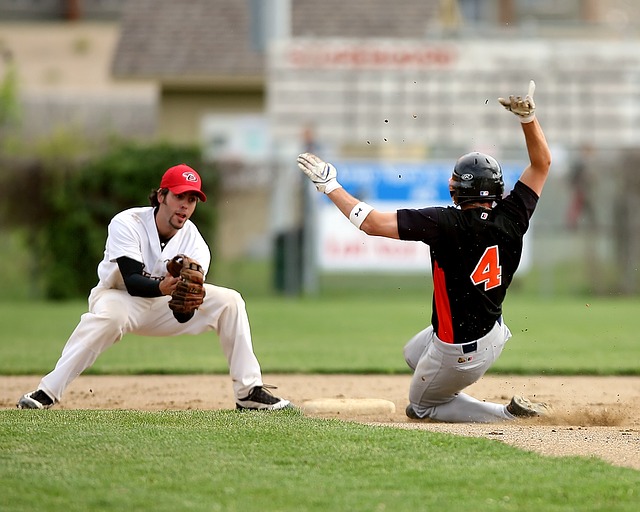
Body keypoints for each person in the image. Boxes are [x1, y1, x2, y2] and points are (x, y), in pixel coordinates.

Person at [297, 81, 552, 423]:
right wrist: (528, 119)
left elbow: (371, 223)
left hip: (458, 352)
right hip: (493, 332)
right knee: (412, 353)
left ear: (459, 189)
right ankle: (445, 388)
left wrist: (330, 186)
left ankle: (506, 415)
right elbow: (541, 164)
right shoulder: (513, 214)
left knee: (419, 408)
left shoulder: (445, 222)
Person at [17, 164, 292, 411]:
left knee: (231, 301)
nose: (185, 205)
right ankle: (47, 391)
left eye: (192, 199)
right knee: (110, 317)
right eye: (179, 196)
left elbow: (183, 314)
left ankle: (248, 392)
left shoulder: (195, 243)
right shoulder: (129, 223)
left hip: (165, 307)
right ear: (161, 196)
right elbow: (133, 280)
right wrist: (164, 285)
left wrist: (186, 299)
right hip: (120, 298)